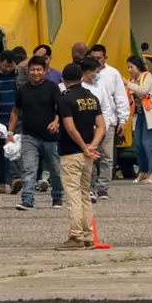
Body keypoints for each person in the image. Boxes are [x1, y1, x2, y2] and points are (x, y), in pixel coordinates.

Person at [56, 63, 104, 251]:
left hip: (72, 152)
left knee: (73, 195)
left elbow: (69, 127)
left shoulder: (65, 99)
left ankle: (76, 236)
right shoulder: (92, 98)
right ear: (82, 77)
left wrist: (83, 147)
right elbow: (101, 126)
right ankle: (88, 236)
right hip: (88, 155)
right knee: (85, 194)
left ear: (64, 80)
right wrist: (92, 146)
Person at [9, 55, 63, 210]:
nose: (35, 73)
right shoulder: (23, 90)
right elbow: (15, 112)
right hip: (29, 136)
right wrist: (9, 133)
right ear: (28, 71)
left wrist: (56, 121)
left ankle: (58, 197)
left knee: (56, 169)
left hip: (50, 137)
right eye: (32, 70)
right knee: (28, 168)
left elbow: (61, 109)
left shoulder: (53, 87)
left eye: (39, 70)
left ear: (45, 71)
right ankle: (27, 199)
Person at [87, 44, 130, 201]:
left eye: (99, 58)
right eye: (93, 58)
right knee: (90, 156)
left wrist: (123, 120)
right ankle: (90, 187)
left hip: (108, 121)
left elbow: (120, 97)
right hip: (89, 123)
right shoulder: (85, 74)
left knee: (106, 157)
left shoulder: (113, 74)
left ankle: (103, 187)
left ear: (105, 58)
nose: (96, 61)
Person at [0, 51, 21, 194]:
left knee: (13, 149)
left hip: (16, 117)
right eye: (5, 66)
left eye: (10, 66)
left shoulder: (20, 74)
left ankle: (14, 179)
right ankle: (0, 182)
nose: (8, 69)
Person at [125, 54, 152, 183]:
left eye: (132, 67)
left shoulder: (147, 76)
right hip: (138, 114)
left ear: (138, 66)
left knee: (147, 144)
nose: (130, 70)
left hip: (148, 114)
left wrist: (128, 84)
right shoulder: (132, 80)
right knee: (139, 145)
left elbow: (144, 91)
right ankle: (142, 171)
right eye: (128, 67)